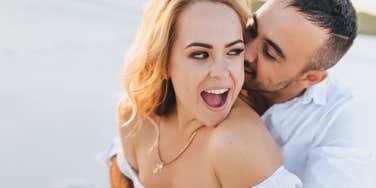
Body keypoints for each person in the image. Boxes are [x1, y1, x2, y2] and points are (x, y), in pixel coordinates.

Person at [97, 0, 301, 187]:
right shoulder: (135, 117)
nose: (221, 73)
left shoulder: (237, 143)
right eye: (201, 54)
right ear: (164, 61)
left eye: (234, 51)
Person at [242, 0, 373, 187]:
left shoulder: (346, 121)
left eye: (269, 53)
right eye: (251, 30)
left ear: (311, 78)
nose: (245, 53)